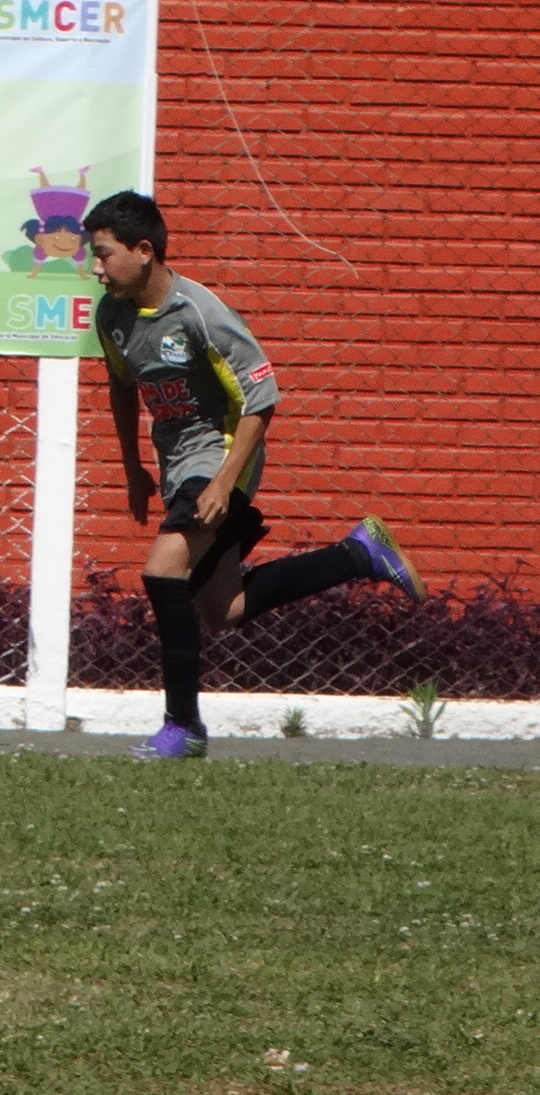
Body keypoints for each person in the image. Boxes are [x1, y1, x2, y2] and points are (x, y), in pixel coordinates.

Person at [86, 190, 422, 761]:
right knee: (225, 609)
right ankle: (358, 554)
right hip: (176, 466)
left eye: (103, 254)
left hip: (221, 458)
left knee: (163, 567)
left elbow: (261, 398)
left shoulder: (200, 313)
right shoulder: (112, 317)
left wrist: (223, 483)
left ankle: (183, 727)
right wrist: (131, 466)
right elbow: (121, 386)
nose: (96, 269)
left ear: (144, 250)